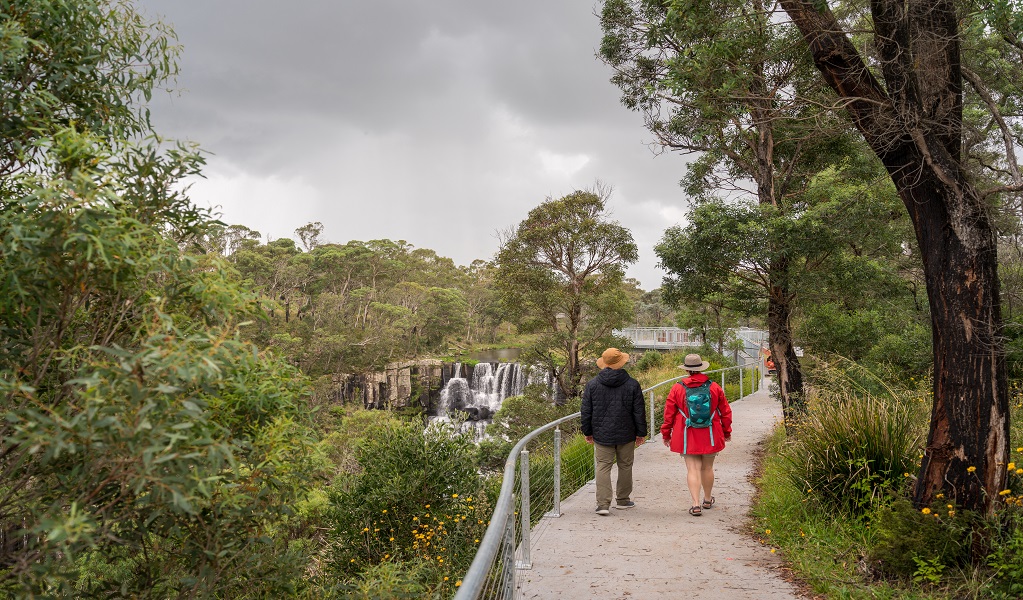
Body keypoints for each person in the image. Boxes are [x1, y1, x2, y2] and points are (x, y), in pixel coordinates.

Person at [661, 353, 732, 516]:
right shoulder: (714, 387)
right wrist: (727, 431)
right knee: (707, 467)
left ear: (686, 370)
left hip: (687, 434)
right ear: (701, 368)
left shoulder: (677, 388)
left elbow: (668, 414)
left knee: (692, 469)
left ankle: (695, 504)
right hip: (711, 433)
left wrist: (666, 434)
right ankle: (707, 499)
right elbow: (726, 412)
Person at [581, 347, 647, 516]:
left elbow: (586, 411)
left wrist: (587, 431)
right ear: (621, 363)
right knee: (625, 465)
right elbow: (639, 411)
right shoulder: (632, 384)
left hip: (602, 433)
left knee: (603, 466)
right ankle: (623, 500)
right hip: (627, 433)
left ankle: (603, 504)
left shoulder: (592, 384)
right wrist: (641, 432)